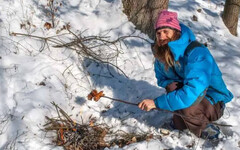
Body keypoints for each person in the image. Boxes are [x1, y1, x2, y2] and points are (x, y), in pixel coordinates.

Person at [138, 10, 233, 139]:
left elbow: (193, 92)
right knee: (172, 88)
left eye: (166, 31)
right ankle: (182, 123)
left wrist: (157, 103)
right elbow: (163, 80)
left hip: (212, 100)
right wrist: (178, 89)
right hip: (193, 96)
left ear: (176, 32)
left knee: (187, 99)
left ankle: (205, 127)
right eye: (158, 33)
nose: (161, 36)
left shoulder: (197, 53)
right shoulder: (162, 54)